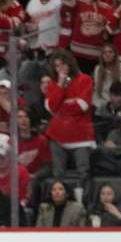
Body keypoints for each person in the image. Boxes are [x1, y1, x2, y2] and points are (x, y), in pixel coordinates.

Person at [43, 50, 96, 178]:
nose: (60, 68)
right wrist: (60, 85)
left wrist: (62, 106)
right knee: (58, 174)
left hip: (81, 133)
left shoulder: (85, 79)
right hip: (57, 133)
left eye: (63, 64)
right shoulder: (52, 84)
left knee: (83, 173)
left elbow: (82, 105)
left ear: (70, 64)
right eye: (57, 66)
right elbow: (51, 108)